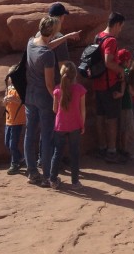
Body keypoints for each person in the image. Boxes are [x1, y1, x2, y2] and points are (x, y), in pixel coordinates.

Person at [24, 16, 81, 187]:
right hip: (43, 97)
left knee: (30, 133)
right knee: (47, 135)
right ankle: (48, 176)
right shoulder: (48, 56)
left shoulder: (31, 42)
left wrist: (67, 36)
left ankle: (32, 172)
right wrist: (59, 100)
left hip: (30, 95)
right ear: (53, 31)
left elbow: (46, 44)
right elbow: (50, 84)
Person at [89, 12, 127, 163]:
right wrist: (122, 71)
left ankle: (102, 148)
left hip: (97, 83)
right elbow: (108, 62)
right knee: (111, 119)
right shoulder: (111, 40)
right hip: (109, 85)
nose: (121, 30)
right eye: (121, 27)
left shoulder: (98, 36)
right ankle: (112, 151)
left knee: (100, 116)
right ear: (117, 24)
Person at [50, 61, 87, 191]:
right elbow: (82, 110)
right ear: (75, 74)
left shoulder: (57, 90)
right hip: (75, 125)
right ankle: (75, 182)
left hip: (60, 125)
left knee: (57, 152)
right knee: (74, 153)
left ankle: (53, 179)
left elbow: (54, 109)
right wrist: (82, 124)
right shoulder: (80, 90)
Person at [3, 72, 25, 174]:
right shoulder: (8, 88)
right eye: (9, 77)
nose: (10, 79)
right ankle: (20, 158)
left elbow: (23, 101)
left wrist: (14, 99)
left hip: (17, 120)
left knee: (12, 144)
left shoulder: (20, 87)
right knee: (7, 143)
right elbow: (5, 103)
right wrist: (5, 100)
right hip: (9, 119)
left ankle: (15, 163)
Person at [116, 48, 134, 161]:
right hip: (126, 103)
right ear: (126, 61)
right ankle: (124, 149)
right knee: (125, 128)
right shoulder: (126, 72)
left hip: (117, 103)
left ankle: (119, 148)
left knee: (119, 126)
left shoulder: (116, 70)